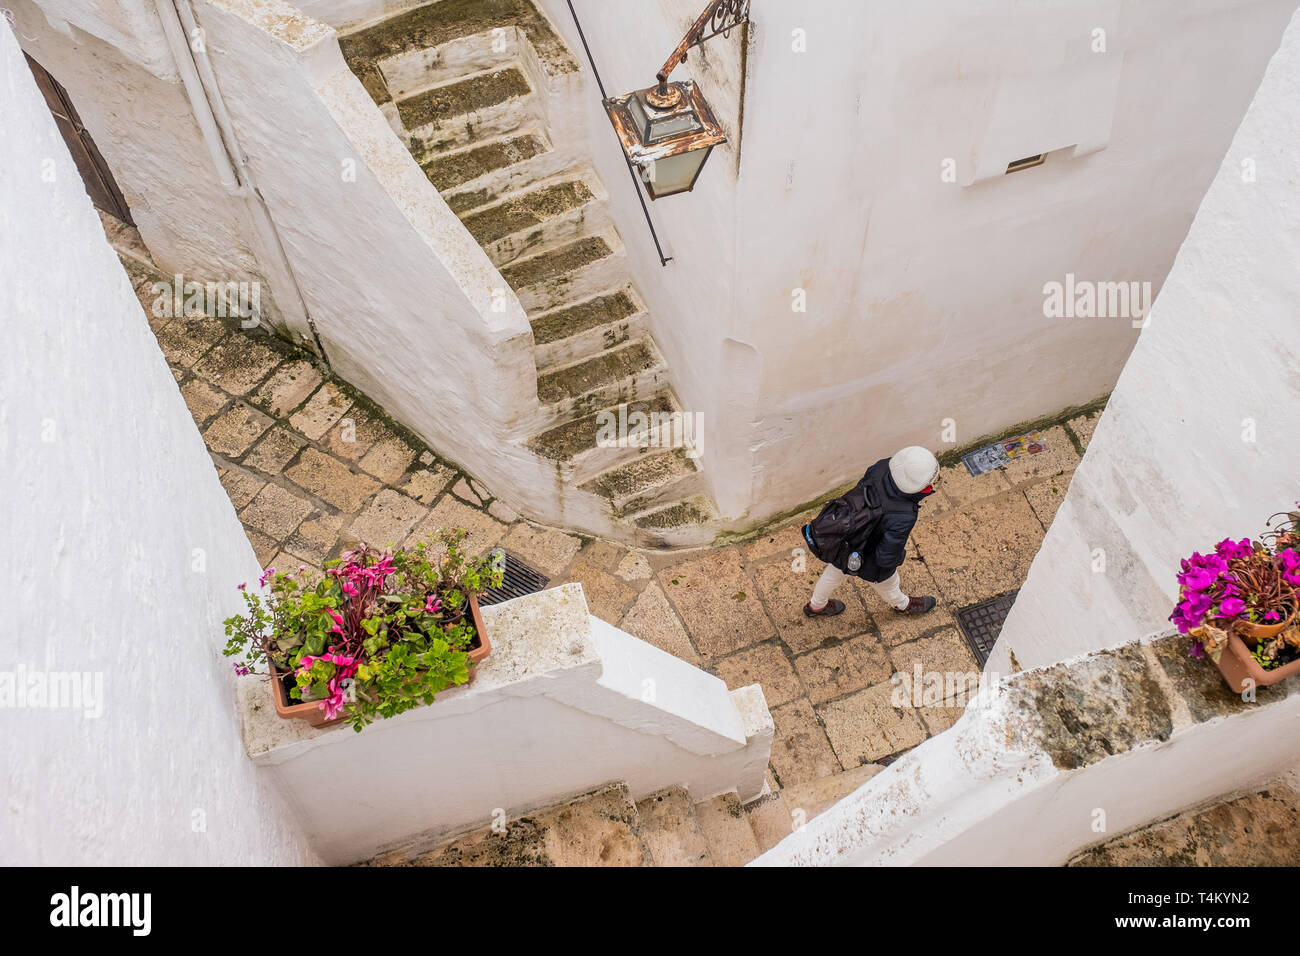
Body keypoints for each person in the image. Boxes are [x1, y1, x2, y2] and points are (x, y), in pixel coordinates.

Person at [803, 445, 940, 617]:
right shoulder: (904, 514)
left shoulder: (881, 467)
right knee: (889, 585)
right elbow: (885, 558)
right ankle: (903, 605)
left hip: (846, 538)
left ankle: (816, 606)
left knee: (834, 573)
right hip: (868, 557)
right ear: (923, 487)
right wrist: (899, 558)